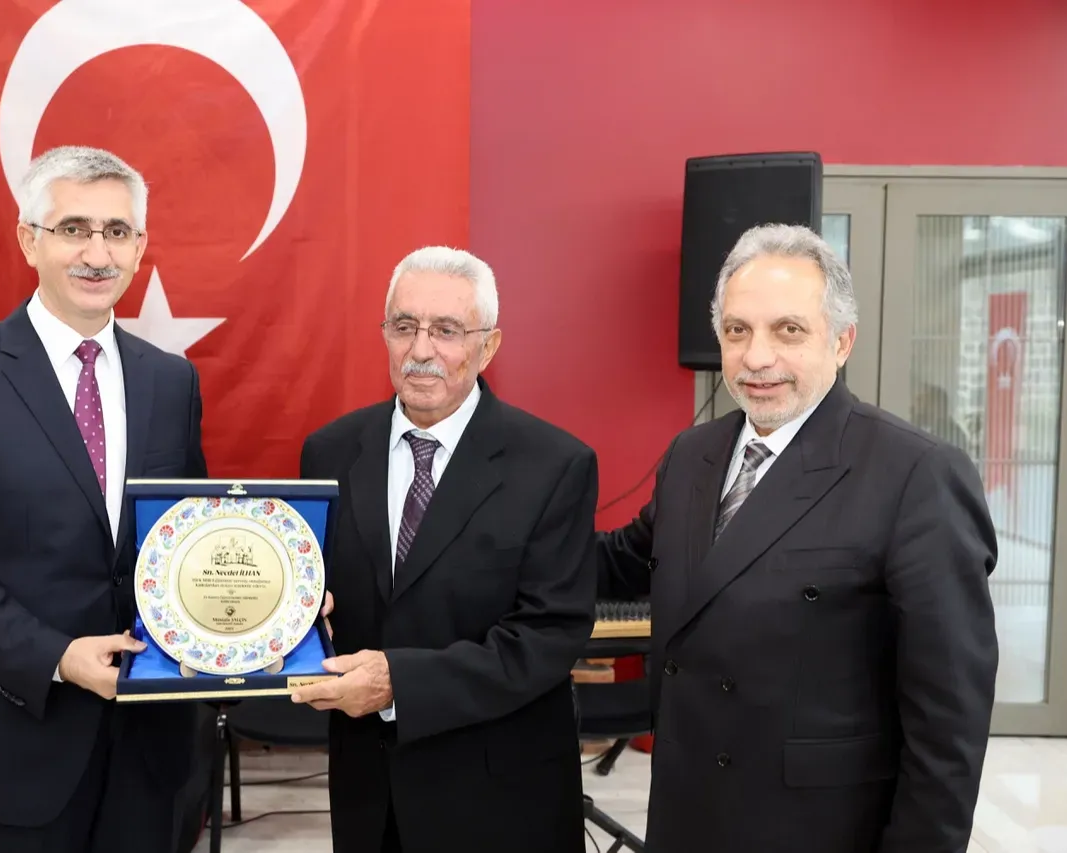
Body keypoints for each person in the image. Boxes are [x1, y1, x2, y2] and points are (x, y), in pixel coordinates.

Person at [598, 223, 998, 852]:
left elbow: (948, 723)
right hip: (687, 813)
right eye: (738, 331)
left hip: (815, 828)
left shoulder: (916, 474)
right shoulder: (692, 454)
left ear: (842, 341)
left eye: (788, 330)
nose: (757, 358)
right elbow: (628, 559)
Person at [0, 145, 209, 853]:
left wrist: (270, 604)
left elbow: (186, 539)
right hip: (12, 742)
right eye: (73, 229)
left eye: (116, 231)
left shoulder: (171, 381)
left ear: (140, 247)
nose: (97, 253)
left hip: (149, 751)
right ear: (29, 240)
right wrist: (56, 656)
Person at [292, 246, 599, 853]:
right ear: (384, 334)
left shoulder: (554, 465)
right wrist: (294, 616)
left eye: (447, 331)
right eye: (404, 326)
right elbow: (316, 592)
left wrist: (400, 683)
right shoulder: (329, 451)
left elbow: (548, 636)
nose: (421, 349)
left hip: (499, 798)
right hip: (368, 791)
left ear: (489, 347)